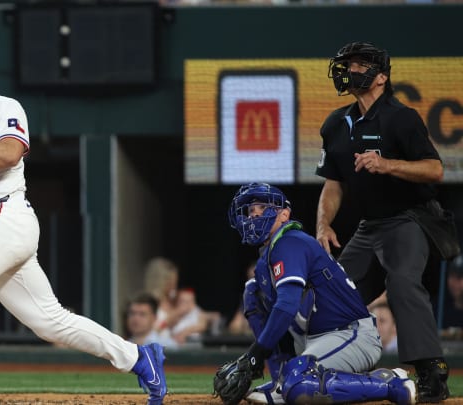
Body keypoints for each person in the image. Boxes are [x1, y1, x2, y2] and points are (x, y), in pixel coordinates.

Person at [0, 36, 166, 405]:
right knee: (50, 322)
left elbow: (9, 152)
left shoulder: (2, 106)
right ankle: (138, 357)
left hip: (5, 214)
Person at [315, 41, 456, 402]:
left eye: (359, 65)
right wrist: (323, 225)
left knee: (402, 282)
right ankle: (330, 367)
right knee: (332, 294)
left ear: (380, 77)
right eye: (347, 64)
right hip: (369, 225)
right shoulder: (335, 123)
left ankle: (432, 372)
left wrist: (387, 164)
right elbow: (334, 183)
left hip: (409, 218)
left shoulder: (401, 117)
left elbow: (435, 169)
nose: (349, 70)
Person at [215, 183, 415, 405]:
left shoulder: (290, 241)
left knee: (299, 383)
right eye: (251, 210)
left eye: (262, 207)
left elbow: (287, 306)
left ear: (284, 215)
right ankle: (281, 381)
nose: (254, 214)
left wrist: (255, 355)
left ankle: (390, 383)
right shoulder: (265, 263)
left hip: (351, 335)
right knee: (252, 291)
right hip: (315, 338)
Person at [143, 256, 179, 333]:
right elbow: (147, 332)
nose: (174, 286)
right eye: (170, 282)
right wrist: (168, 320)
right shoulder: (147, 302)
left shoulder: (174, 299)